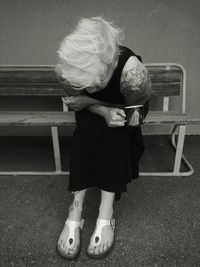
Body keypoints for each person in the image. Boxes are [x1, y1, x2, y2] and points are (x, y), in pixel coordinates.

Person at [55, 16, 151, 259]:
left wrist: (93, 101)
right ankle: (75, 212)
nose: (88, 85)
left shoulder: (132, 74)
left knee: (113, 133)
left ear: (108, 62)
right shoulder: (67, 69)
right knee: (86, 132)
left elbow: (135, 115)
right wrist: (100, 108)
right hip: (93, 112)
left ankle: (105, 215)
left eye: (92, 81)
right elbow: (77, 102)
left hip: (127, 109)